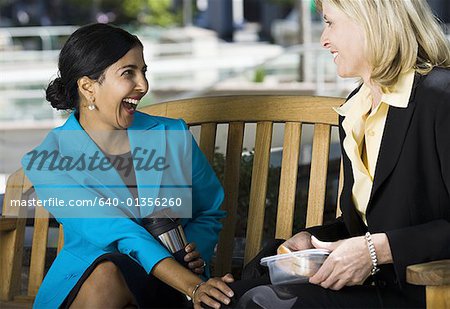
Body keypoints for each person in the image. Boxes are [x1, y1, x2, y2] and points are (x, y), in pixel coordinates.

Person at [229, 0, 450, 308]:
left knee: (258, 301)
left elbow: (378, 240)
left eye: (330, 23)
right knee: (223, 298)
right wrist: (310, 238)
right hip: (368, 288)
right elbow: (367, 224)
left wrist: (377, 251)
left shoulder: (441, 96)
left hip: (427, 292)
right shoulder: (355, 109)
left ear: (369, 22)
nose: (323, 40)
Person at [21, 23, 234, 309]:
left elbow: (209, 209)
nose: (143, 85)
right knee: (107, 273)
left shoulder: (172, 135)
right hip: (93, 281)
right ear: (88, 87)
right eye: (128, 73)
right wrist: (193, 286)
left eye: (143, 71)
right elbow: (118, 232)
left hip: (173, 280)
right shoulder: (48, 161)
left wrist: (192, 250)